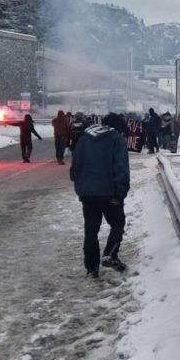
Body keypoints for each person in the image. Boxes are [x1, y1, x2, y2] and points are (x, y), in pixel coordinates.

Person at [70, 112, 130, 278]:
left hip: (87, 193)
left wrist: (80, 186)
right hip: (109, 192)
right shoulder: (116, 139)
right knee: (117, 223)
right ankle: (110, 254)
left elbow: (75, 167)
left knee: (91, 231)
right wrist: (120, 193)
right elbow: (121, 168)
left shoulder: (83, 139)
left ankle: (91, 268)